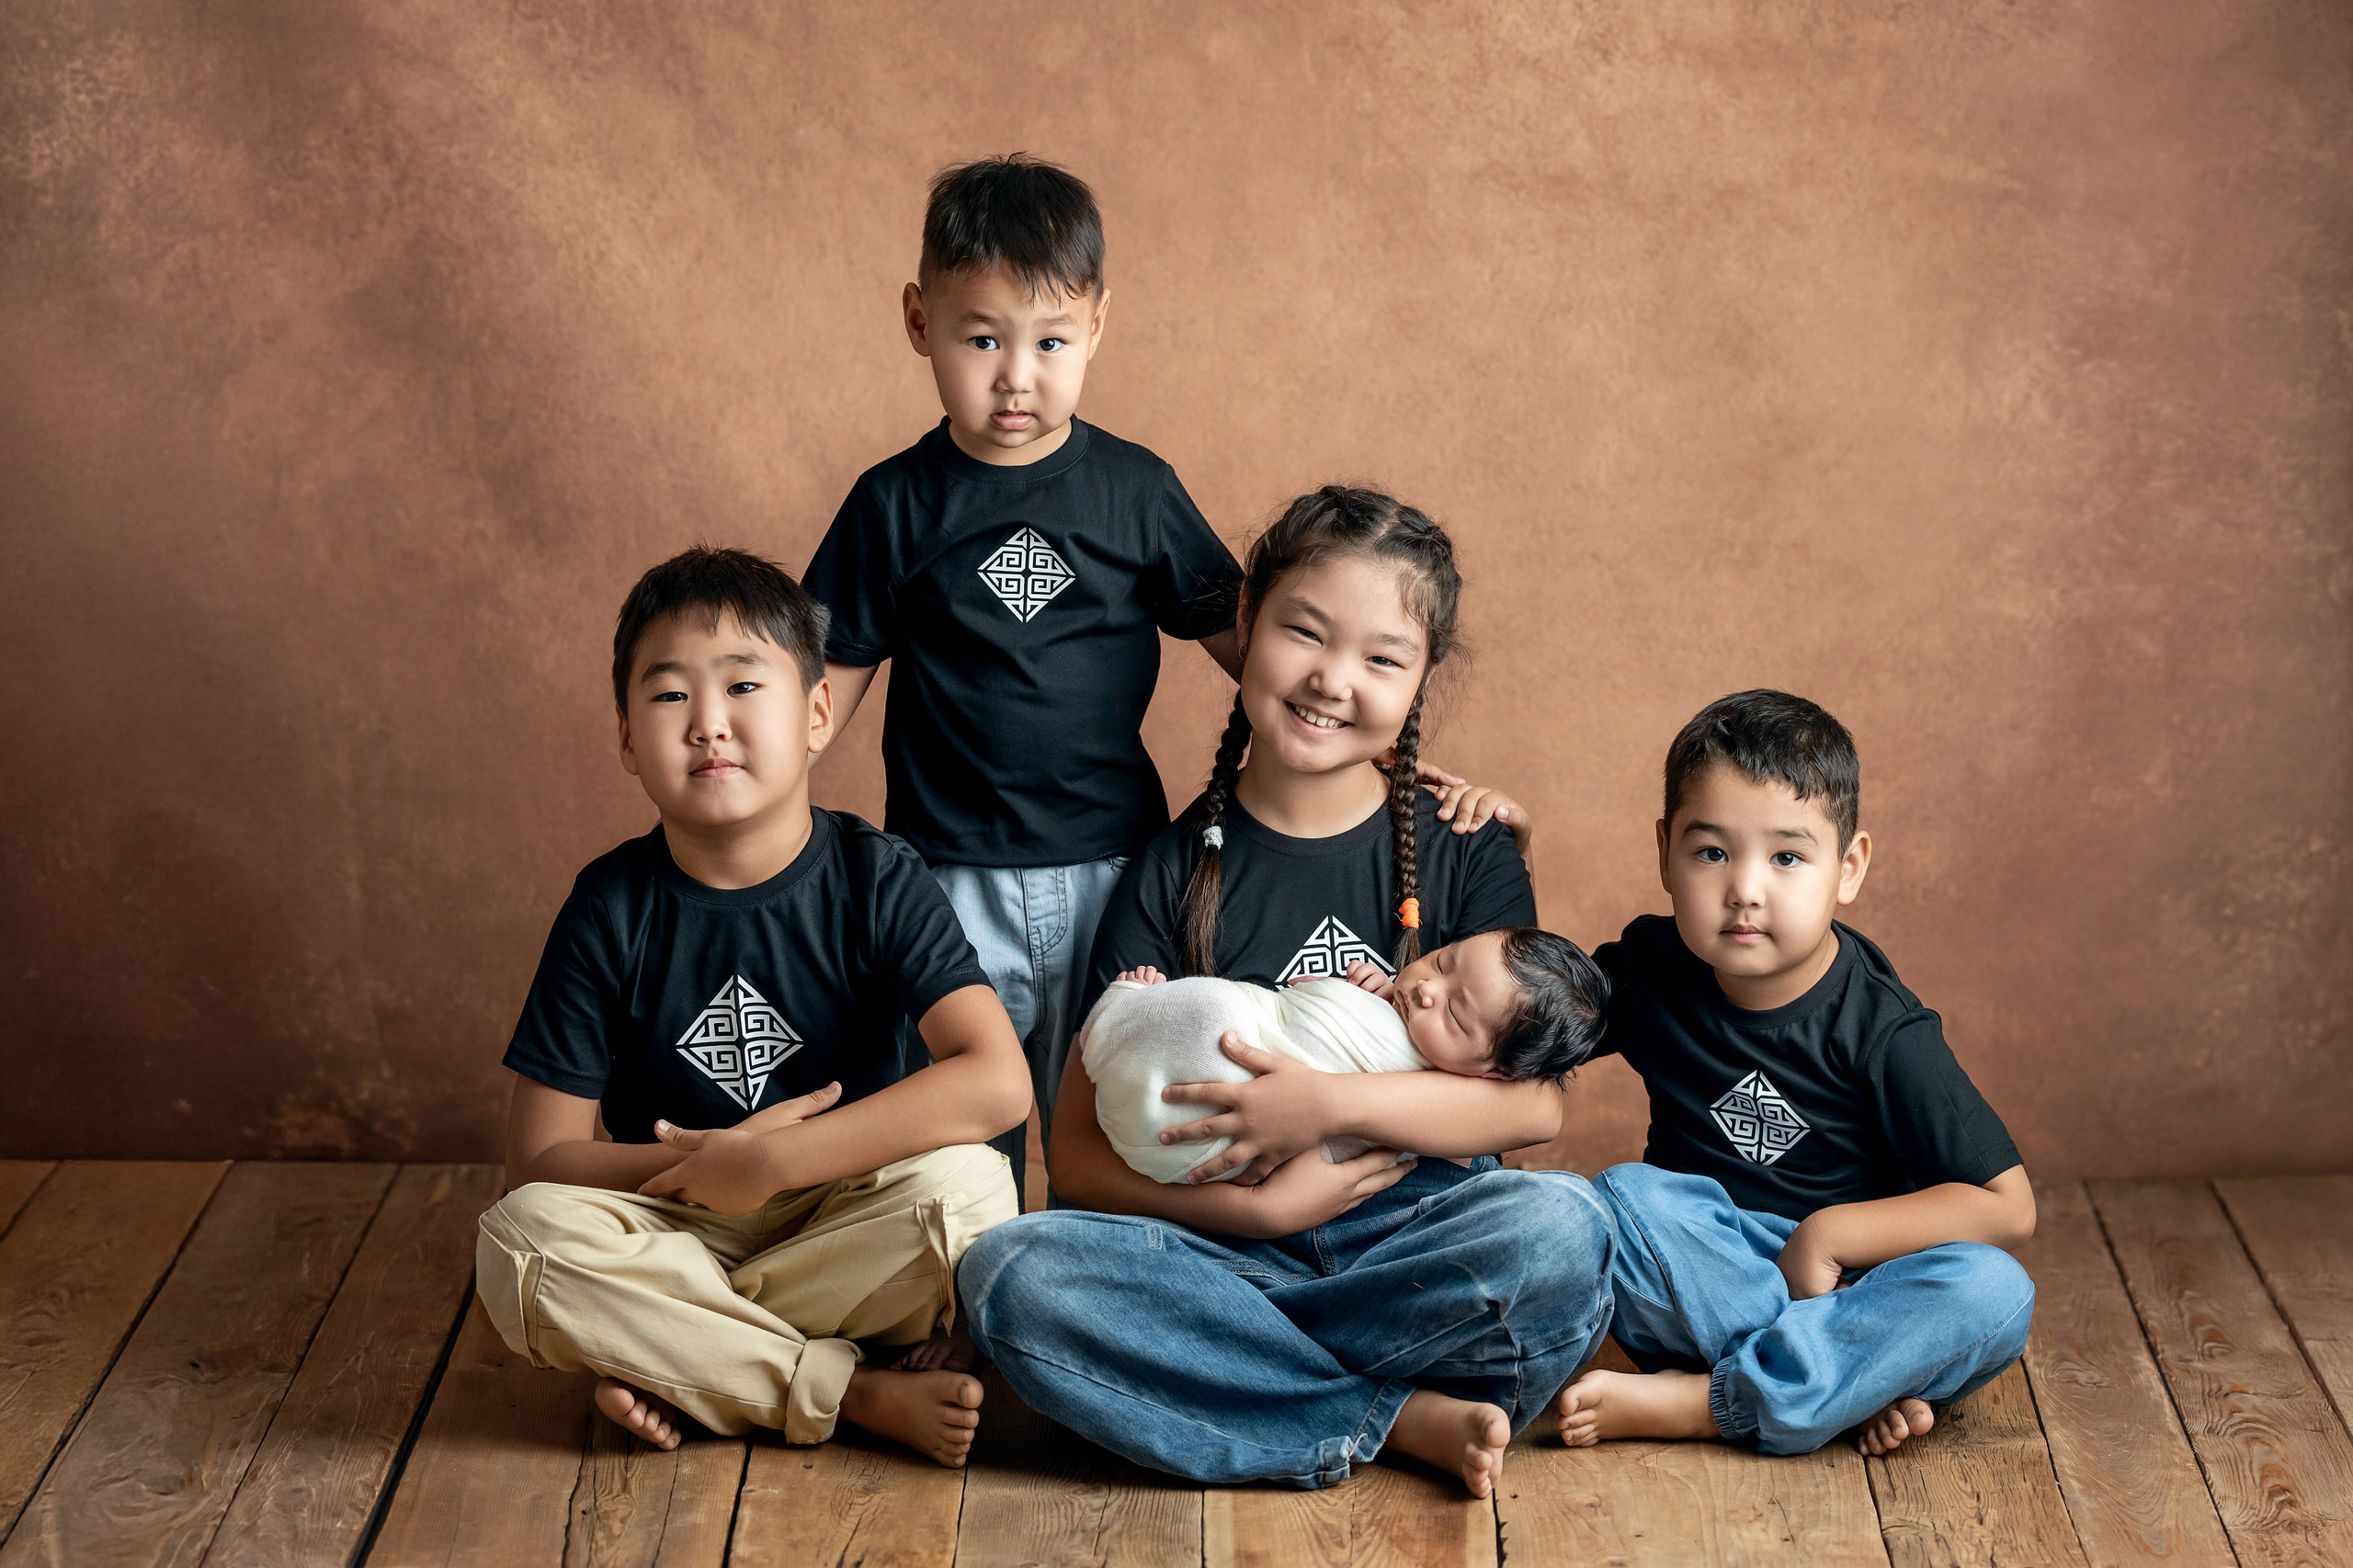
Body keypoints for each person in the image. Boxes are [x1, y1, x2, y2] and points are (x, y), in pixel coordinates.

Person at [801, 155, 1519, 1199]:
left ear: (1097, 327)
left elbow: (1267, 652)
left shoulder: (1133, 492)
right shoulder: (893, 505)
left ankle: (1086, 1255)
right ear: (919, 321)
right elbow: (822, 689)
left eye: (1050, 342)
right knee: (952, 1138)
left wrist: (1394, 767)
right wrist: (765, 814)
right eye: (982, 339)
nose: (1016, 376)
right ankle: (964, 1278)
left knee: (1111, 1107)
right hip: (945, 871)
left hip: (1113, 865)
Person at [957, 487, 1616, 1498]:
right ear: (1247, 619)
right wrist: (1260, 1214)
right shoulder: (1168, 869)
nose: (1331, 680)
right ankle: (1385, 1411)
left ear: (1422, 676)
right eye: (1304, 631)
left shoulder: (1464, 850)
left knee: (1565, 1228)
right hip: (1219, 1249)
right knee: (1012, 1277)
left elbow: (1532, 1107)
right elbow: (1077, 1159)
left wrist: (1325, 1107)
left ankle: (1246, 1382)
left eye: (1382, 658)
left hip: (1408, 1239)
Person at [474, 547, 1031, 1468]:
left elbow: (996, 1081)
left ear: (817, 713)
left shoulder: (876, 876)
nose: (708, 723)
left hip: (842, 1213)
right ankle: (845, 1389)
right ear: (626, 737)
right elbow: (536, 1161)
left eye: (742, 685)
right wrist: (705, 1173)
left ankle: (688, 1357)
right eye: (669, 695)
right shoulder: (609, 905)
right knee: (521, 1242)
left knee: (972, 1189)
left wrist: (771, 1161)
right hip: (675, 1227)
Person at [1557, 689, 2036, 1458]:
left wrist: (1830, 1233)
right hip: (1710, 1270)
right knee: (1616, 1202)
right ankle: (1835, 1383)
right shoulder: (1650, 970)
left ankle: (1715, 1402)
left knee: (1993, 1291)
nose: (1745, 889)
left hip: (1855, 1284)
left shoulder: (1883, 1030)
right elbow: (1529, 1022)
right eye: (1712, 852)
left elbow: (2008, 1206)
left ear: (1848, 868)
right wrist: (1505, 858)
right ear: (1665, 853)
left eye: (1786, 857)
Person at [1087, 926, 1608, 1182]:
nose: (1427, 988)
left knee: (1216, 1015)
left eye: (1454, 1013)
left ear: (1493, 1073)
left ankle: (1125, 1015)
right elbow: (1301, 1011)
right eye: (1442, 961)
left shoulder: (1452, 1110)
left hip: (1251, 1159)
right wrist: (1354, 995)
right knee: (1218, 1013)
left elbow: (1456, 1142)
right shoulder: (1398, 999)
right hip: (1197, 1147)